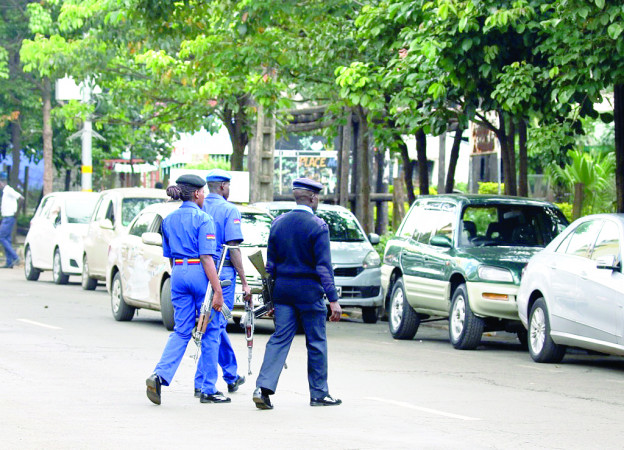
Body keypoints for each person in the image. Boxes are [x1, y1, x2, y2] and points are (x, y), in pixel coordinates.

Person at [253, 177, 342, 410]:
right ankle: (319, 394)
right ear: (312, 197)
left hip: (283, 292)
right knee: (316, 342)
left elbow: (269, 265)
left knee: (280, 339)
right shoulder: (318, 226)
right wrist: (333, 300)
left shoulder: (278, 224)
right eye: (318, 197)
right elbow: (324, 267)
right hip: (309, 293)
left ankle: (262, 389)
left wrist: (269, 297)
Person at [145, 174, 230, 405]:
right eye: (203, 192)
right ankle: (207, 388)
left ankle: (159, 375)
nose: (205, 195)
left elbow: (170, 256)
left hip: (178, 273)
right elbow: (206, 258)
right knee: (212, 329)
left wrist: (179, 277)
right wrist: (218, 291)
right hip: (199, 273)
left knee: (182, 330)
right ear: (196, 194)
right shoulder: (204, 219)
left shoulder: (169, 219)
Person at [195, 168, 252, 397]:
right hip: (224, 273)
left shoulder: (199, 206)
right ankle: (203, 383)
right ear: (221, 187)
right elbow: (233, 248)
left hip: (200, 270)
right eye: (228, 185)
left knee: (211, 324)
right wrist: (245, 282)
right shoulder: (229, 210)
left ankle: (230, 374)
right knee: (214, 326)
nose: (229, 189)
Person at [0, 174, 24, 269]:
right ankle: (9, 262)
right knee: (7, 239)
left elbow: (21, 198)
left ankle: (16, 257)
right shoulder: (5, 191)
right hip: (7, 217)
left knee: (1, 237)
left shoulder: (8, 190)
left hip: (9, 217)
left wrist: (16, 213)